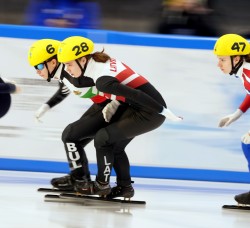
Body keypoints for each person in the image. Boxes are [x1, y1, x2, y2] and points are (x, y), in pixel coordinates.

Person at [57, 36, 183, 197]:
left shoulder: (102, 79)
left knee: (103, 138)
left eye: (68, 64)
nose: (67, 69)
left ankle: (102, 184)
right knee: (114, 146)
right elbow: (125, 91)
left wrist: (164, 112)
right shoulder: (98, 64)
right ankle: (125, 187)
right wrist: (113, 102)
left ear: (82, 60)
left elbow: (136, 95)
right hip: (138, 107)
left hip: (149, 112)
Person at [28, 39, 131, 196]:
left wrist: (117, 102)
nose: (37, 70)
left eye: (40, 66)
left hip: (113, 106)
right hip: (102, 104)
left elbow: (111, 80)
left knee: (70, 135)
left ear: (53, 62)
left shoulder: (72, 73)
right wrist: (46, 106)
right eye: (35, 67)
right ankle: (82, 178)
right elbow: (64, 90)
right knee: (75, 138)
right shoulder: (65, 72)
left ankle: (81, 180)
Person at [214, 33, 250, 205]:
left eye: (222, 60)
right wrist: (237, 114)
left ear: (236, 58)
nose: (218, 64)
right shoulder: (245, 71)